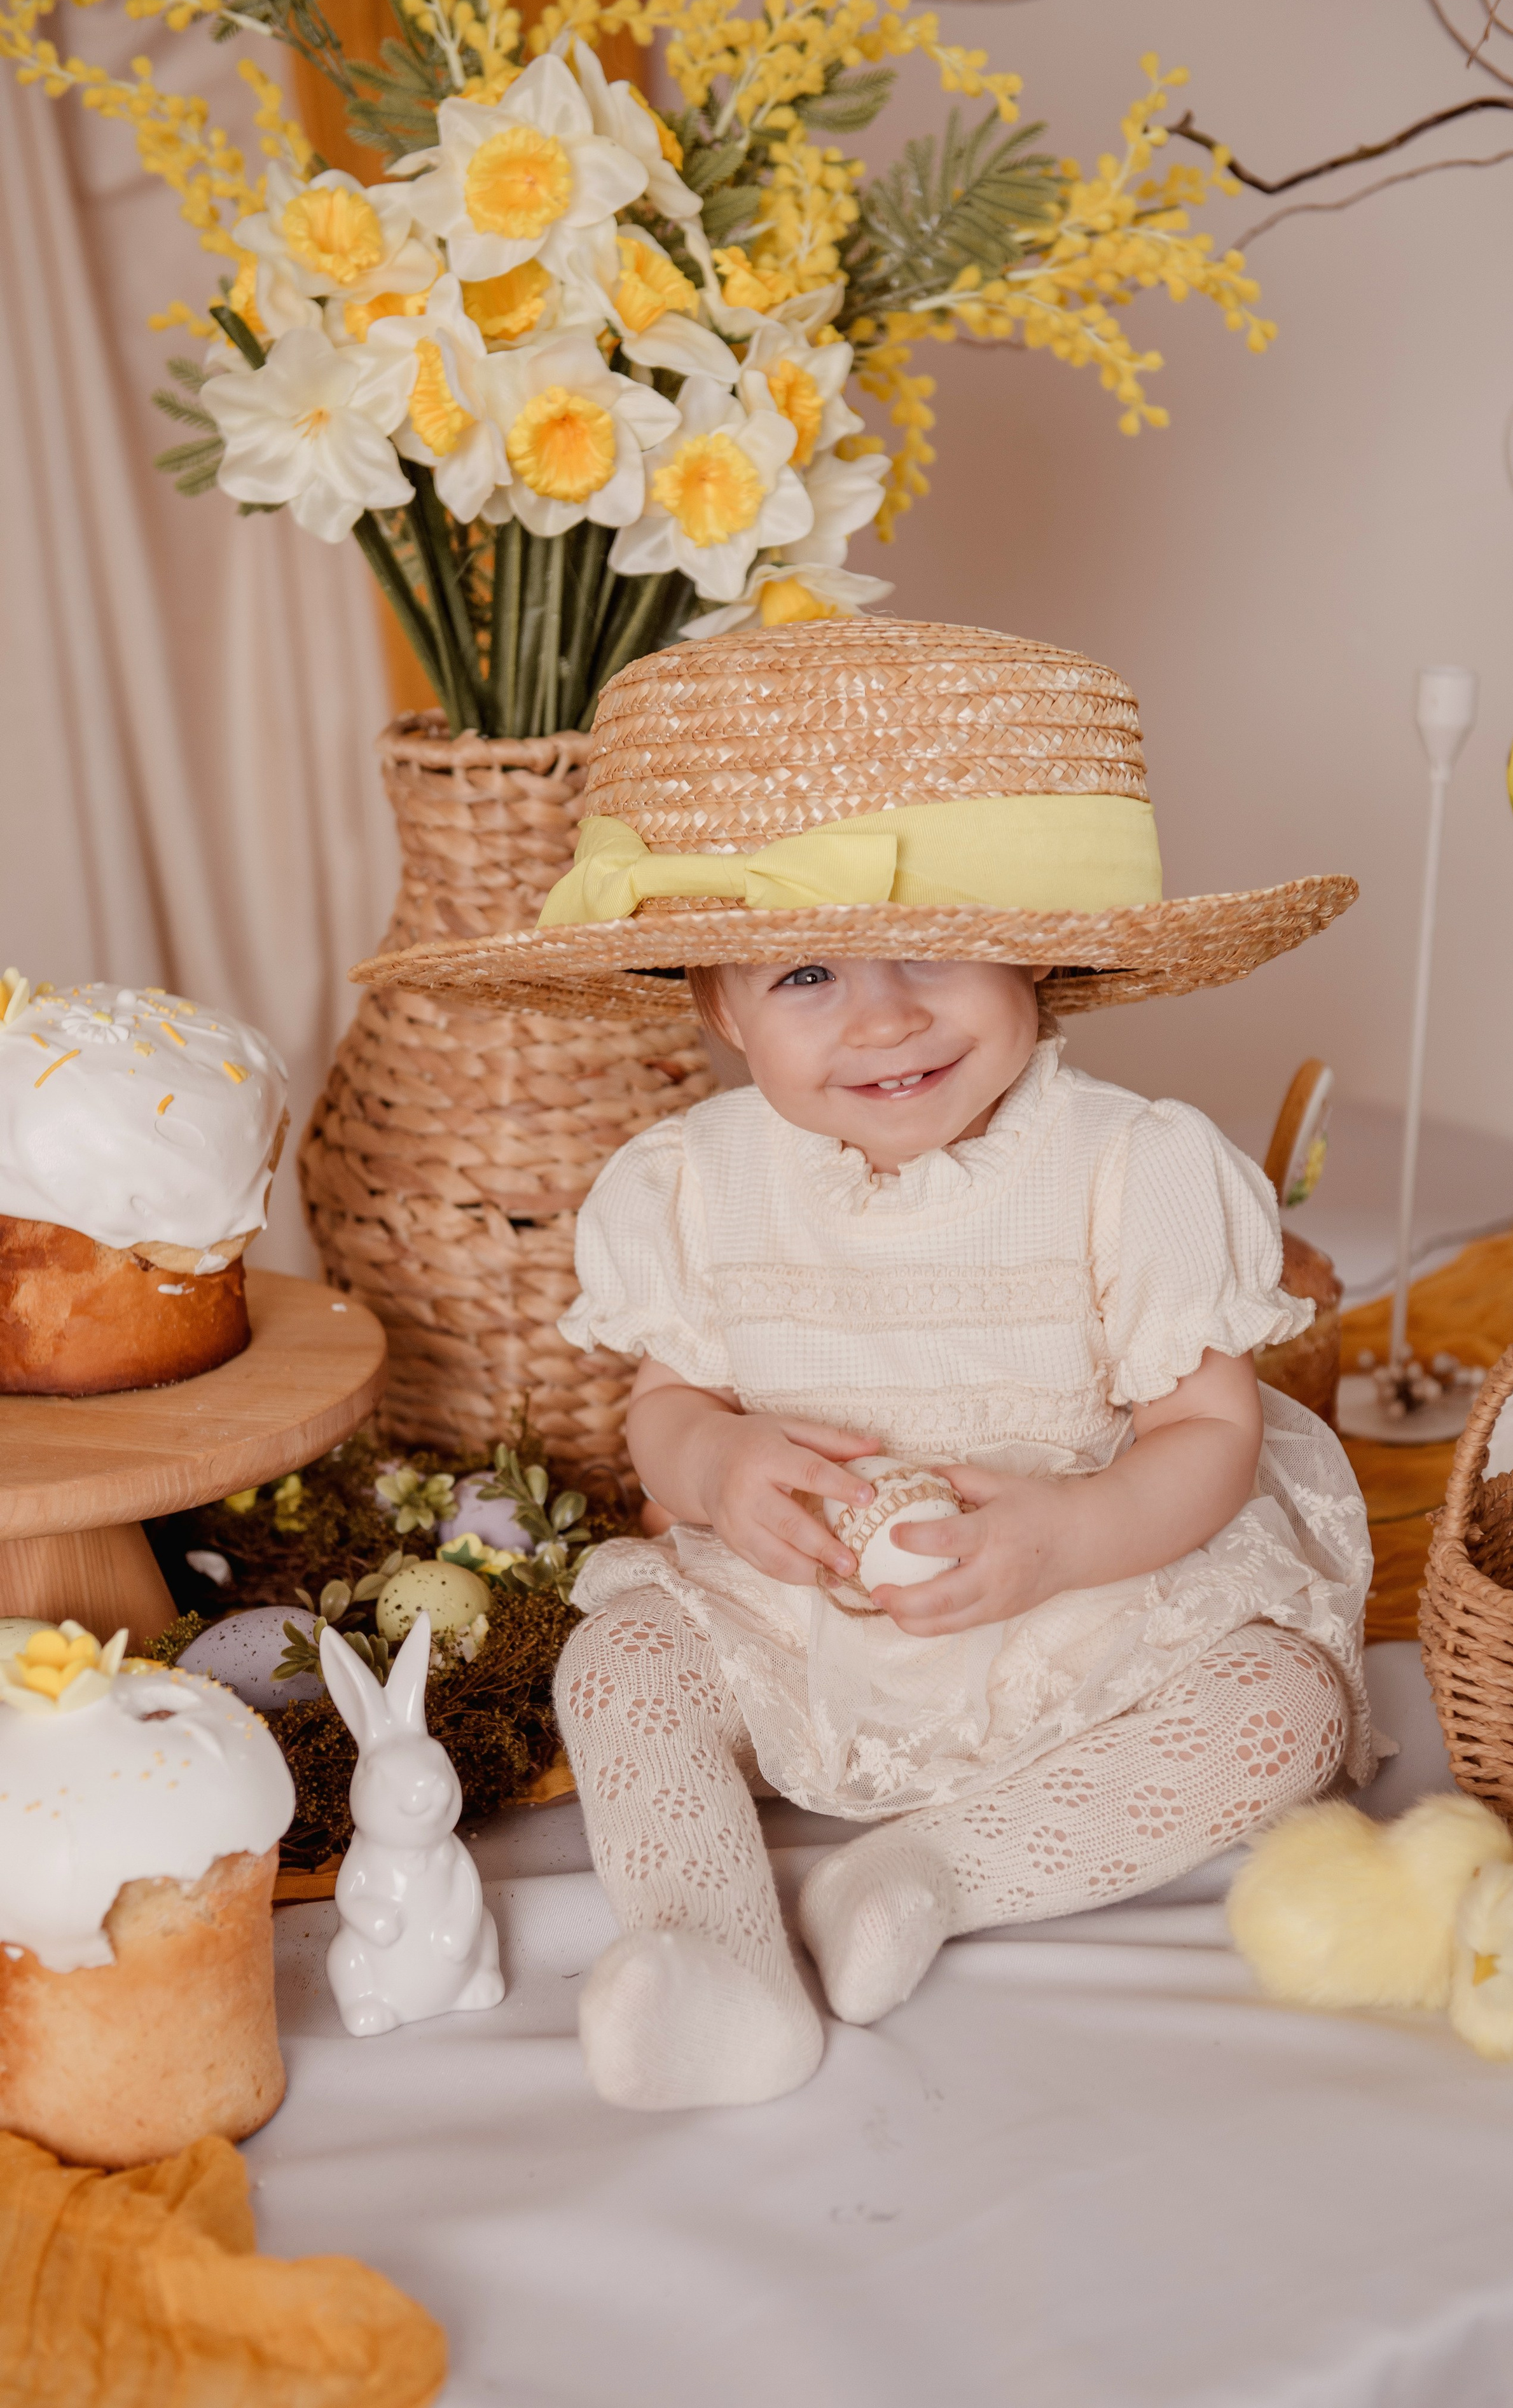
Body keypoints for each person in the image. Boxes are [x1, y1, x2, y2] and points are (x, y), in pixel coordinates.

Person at [374, 617, 1371, 2110]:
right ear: (713, 1002)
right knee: (620, 1657)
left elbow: (1206, 1433)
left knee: (1283, 1709)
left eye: (934, 946)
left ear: (1036, 946)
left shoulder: (1128, 1166)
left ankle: (931, 1874)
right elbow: (665, 1409)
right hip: (804, 1620)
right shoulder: (691, 1182)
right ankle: (713, 1956)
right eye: (804, 976)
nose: (884, 1015)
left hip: (1086, 1610)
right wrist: (713, 1467)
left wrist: (1064, 1535)